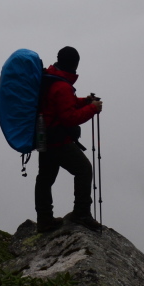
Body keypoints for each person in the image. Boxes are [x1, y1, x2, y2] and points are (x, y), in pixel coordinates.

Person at [35, 46, 103, 232]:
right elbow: (69, 118)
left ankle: (44, 220)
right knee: (83, 170)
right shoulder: (62, 86)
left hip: (44, 138)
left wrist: (84, 101)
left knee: (45, 179)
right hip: (58, 141)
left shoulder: (50, 77)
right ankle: (81, 213)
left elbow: (62, 106)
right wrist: (93, 108)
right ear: (74, 64)